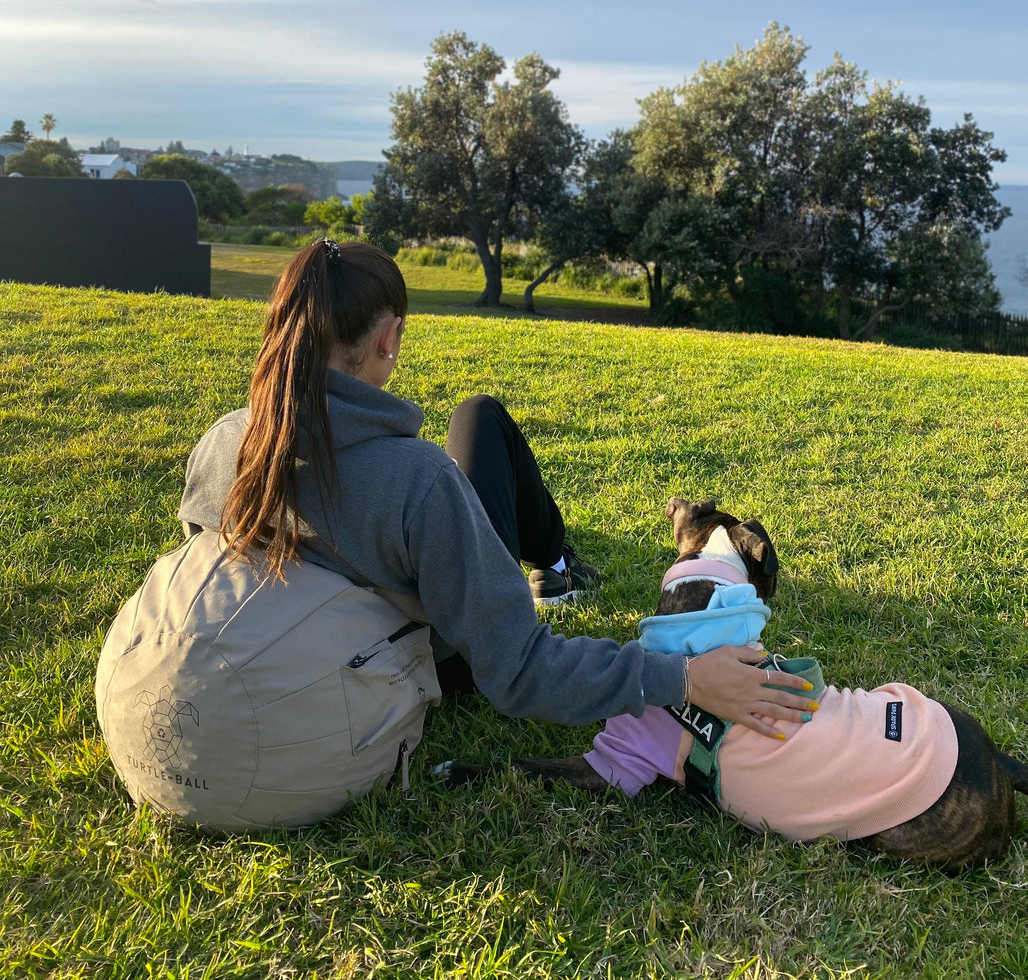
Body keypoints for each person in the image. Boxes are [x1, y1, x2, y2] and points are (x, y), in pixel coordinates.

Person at [100, 239, 815, 827]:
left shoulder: (227, 440)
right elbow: (521, 669)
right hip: (426, 663)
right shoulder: (415, 480)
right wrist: (683, 676)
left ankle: (558, 557)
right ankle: (557, 561)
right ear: (389, 339)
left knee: (473, 435)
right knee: (478, 419)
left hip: (276, 664)